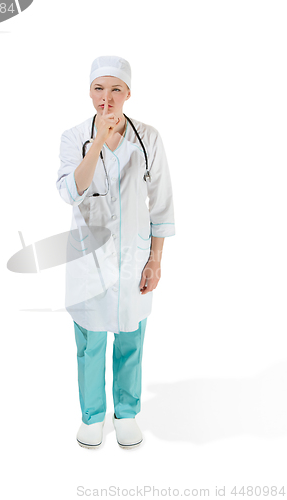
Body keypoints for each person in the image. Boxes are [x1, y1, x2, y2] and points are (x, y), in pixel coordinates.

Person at [56, 56, 175, 449]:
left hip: (134, 259)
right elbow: (70, 193)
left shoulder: (149, 138)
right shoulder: (75, 137)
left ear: (128, 93)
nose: (106, 99)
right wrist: (95, 148)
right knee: (90, 343)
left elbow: (161, 206)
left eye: (115, 90)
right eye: (98, 89)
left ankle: (126, 413)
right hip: (89, 262)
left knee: (131, 339)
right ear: (89, 92)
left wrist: (156, 260)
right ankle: (92, 416)